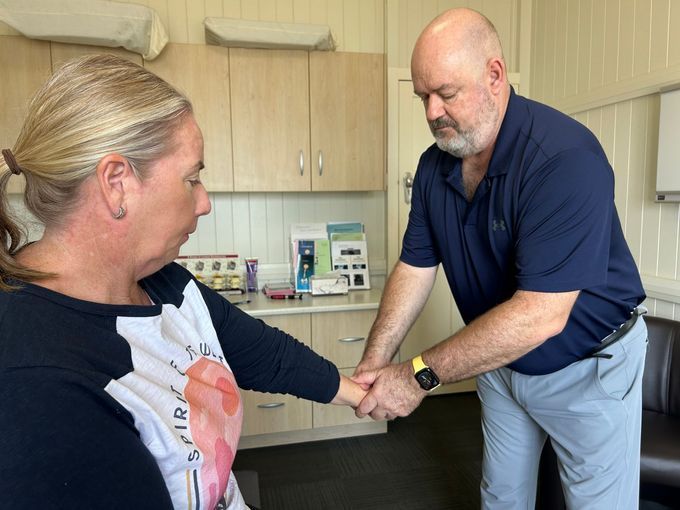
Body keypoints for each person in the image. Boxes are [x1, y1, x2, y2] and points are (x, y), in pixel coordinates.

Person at [0, 54, 365, 510]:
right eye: (191, 178)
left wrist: (360, 394)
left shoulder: (163, 282)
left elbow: (265, 354)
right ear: (117, 183)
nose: (205, 201)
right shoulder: (35, 385)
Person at [353, 8, 647, 509]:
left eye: (446, 93)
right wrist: (377, 359)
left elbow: (539, 315)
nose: (431, 113)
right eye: (422, 96)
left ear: (495, 75)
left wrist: (418, 374)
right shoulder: (434, 167)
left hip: (587, 367)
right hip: (501, 364)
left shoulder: (563, 158)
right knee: (501, 497)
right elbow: (415, 266)